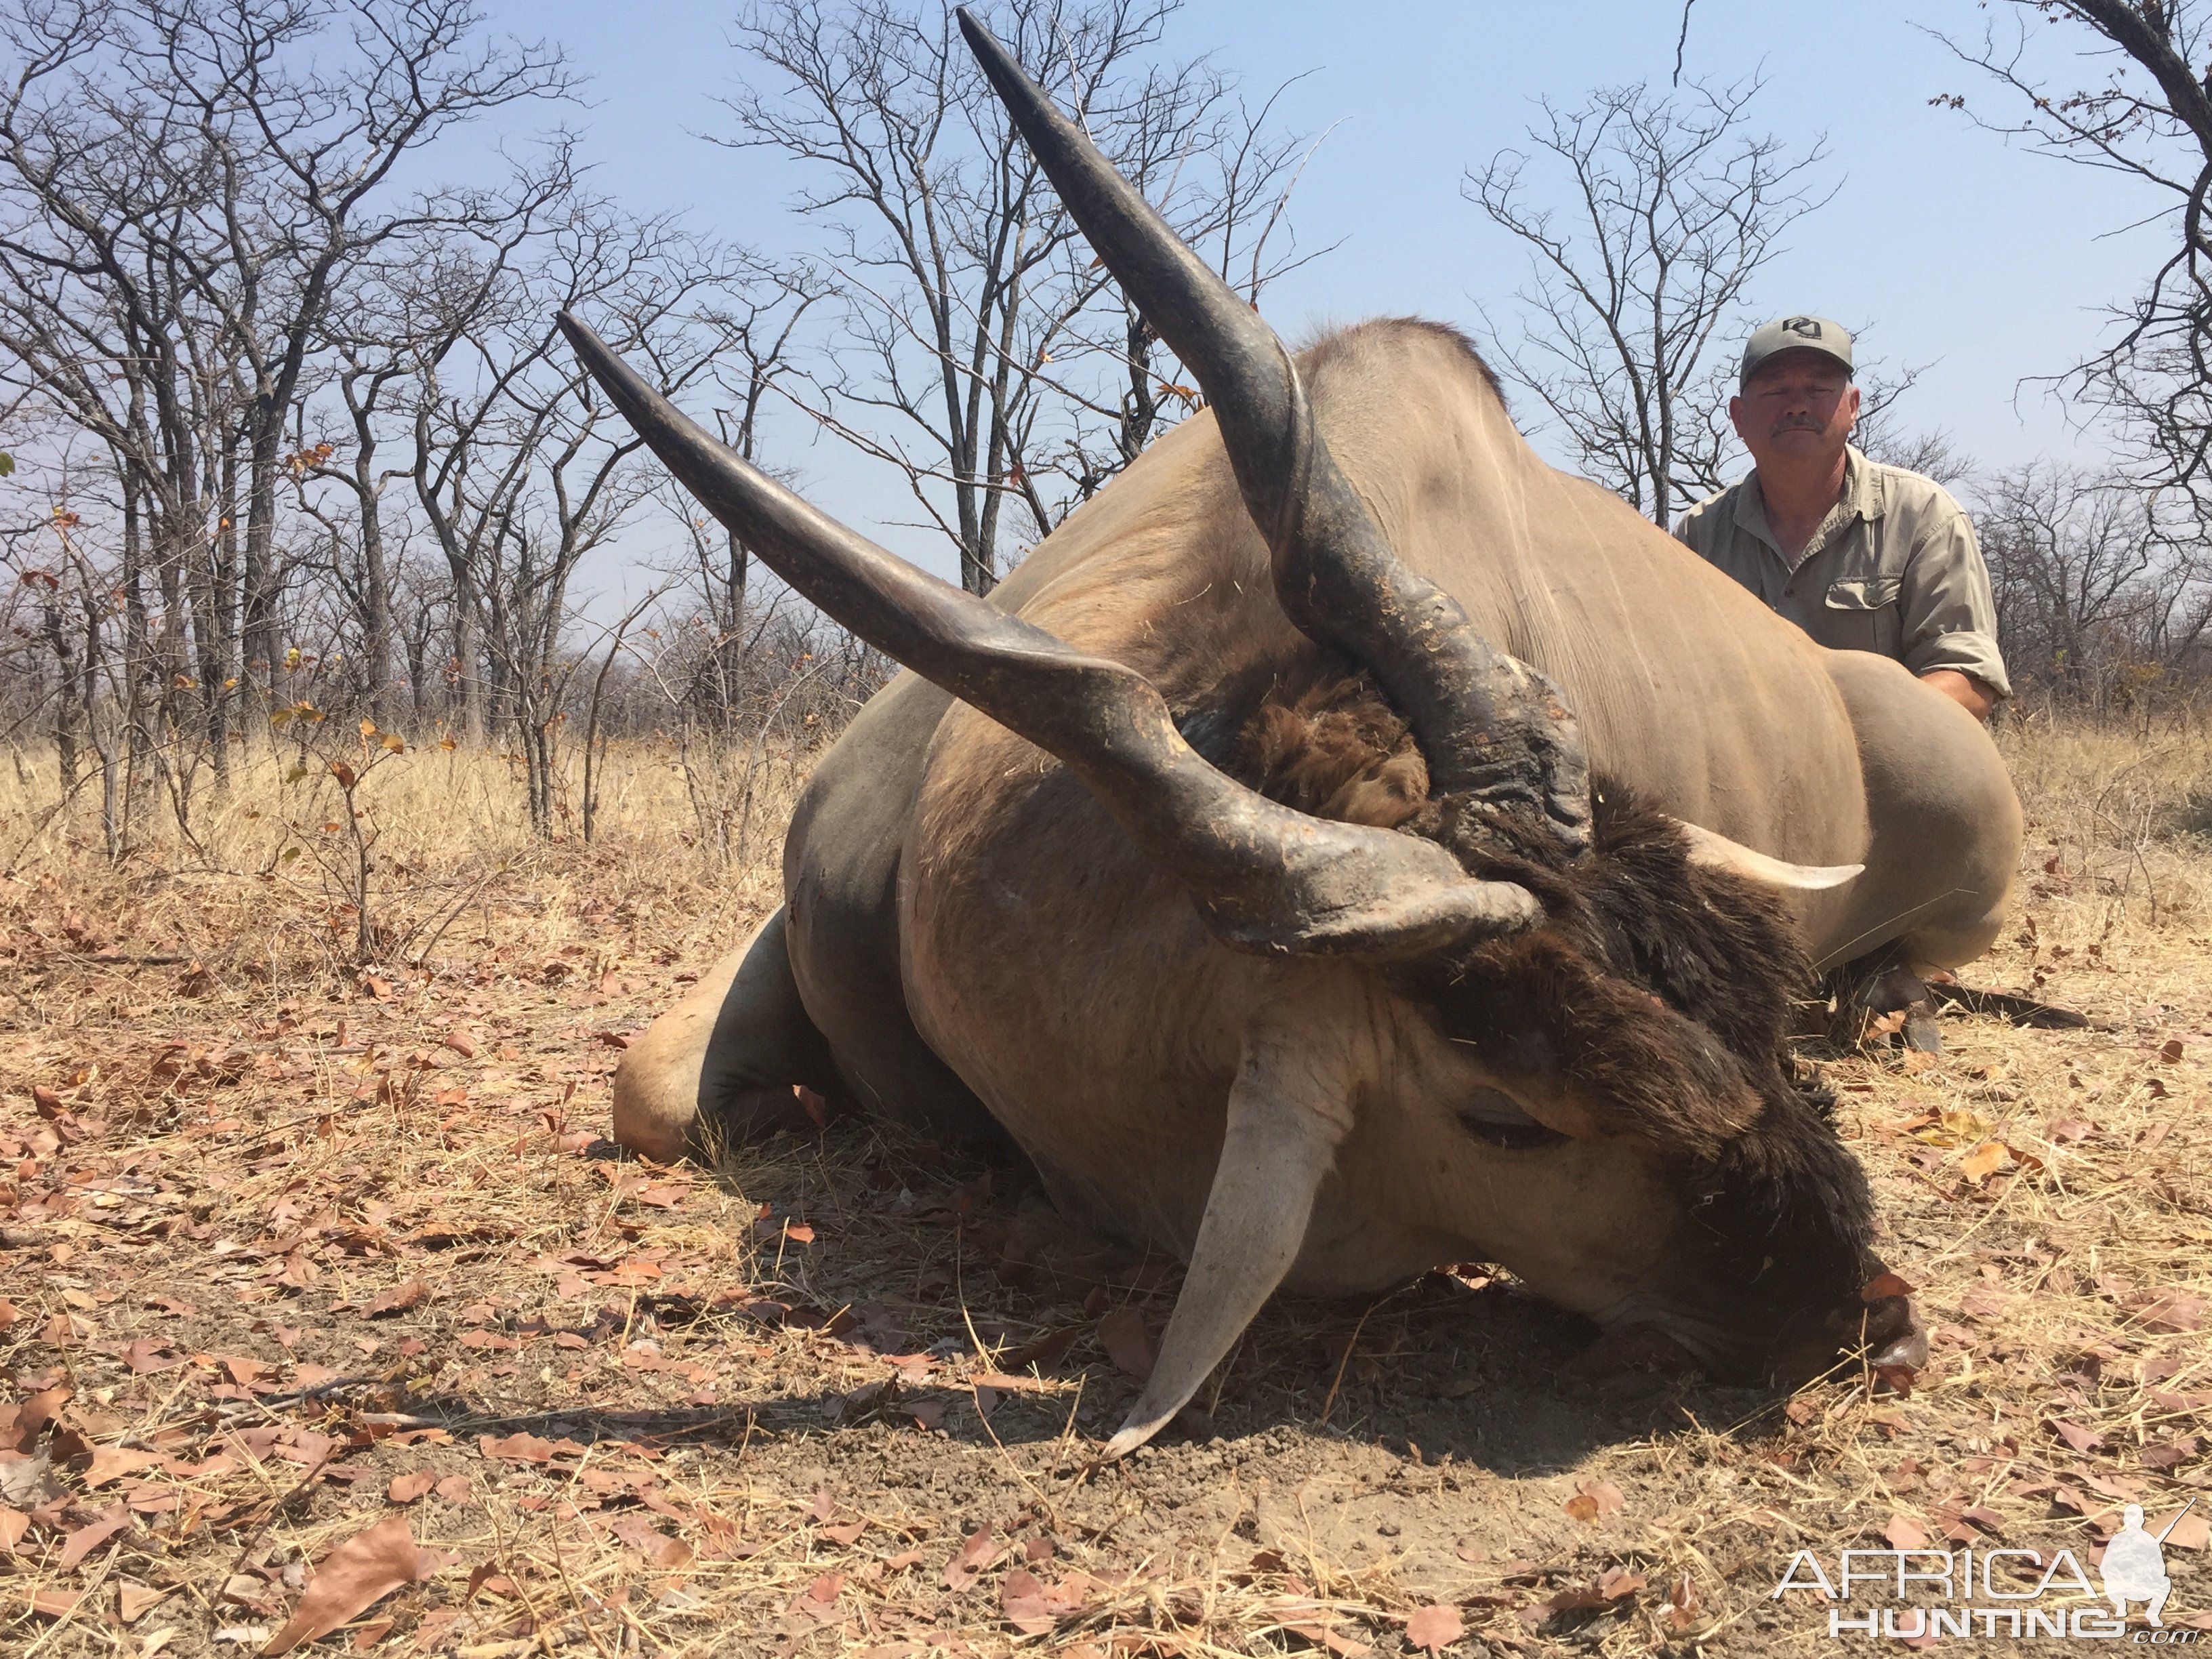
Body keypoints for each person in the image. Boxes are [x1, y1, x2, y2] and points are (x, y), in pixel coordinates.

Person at [1674, 314, 2009, 720]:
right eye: (1776, 390)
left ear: (1852, 408)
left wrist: (1836, 735)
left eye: (1818, 389)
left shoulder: (1924, 515)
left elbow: (1967, 679)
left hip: (1886, 771)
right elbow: (1670, 677)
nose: (1797, 405)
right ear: (1739, 417)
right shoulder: (1698, 536)